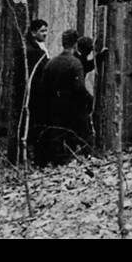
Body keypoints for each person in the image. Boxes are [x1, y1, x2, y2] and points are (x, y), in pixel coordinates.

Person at [38, 30, 92, 166]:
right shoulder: (75, 63)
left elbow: (43, 86)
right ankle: (85, 157)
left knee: (57, 133)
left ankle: (58, 161)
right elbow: (79, 88)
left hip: (54, 104)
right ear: (75, 44)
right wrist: (89, 99)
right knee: (81, 131)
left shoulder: (51, 62)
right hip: (72, 106)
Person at [23, 19, 51, 166]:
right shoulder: (33, 50)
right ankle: (35, 156)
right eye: (42, 31)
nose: (45, 34)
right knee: (37, 123)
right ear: (33, 33)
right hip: (36, 93)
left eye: (46, 30)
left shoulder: (40, 47)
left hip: (40, 91)